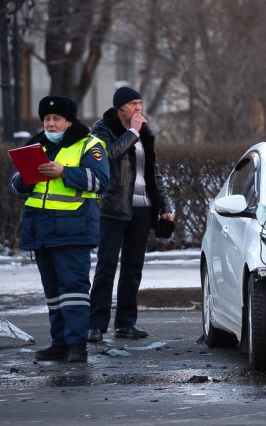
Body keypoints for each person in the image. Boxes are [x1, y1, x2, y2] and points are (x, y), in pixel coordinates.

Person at [9, 96, 109, 362]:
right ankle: (59, 343)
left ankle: (77, 345)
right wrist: (25, 180)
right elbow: (17, 186)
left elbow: (100, 181)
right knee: (53, 294)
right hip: (41, 229)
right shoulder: (35, 145)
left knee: (74, 290)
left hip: (74, 229)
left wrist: (64, 171)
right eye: (47, 119)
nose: (51, 124)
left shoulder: (90, 144)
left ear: (69, 121)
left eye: (57, 119)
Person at [87, 87, 174, 342]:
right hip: (113, 207)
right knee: (106, 266)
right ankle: (96, 325)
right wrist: (132, 132)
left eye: (140, 103)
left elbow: (153, 172)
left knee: (133, 268)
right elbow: (107, 157)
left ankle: (126, 323)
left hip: (142, 206)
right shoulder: (102, 130)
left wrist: (165, 206)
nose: (138, 108)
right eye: (133, 104)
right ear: (120, 108)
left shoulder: (145, 133)